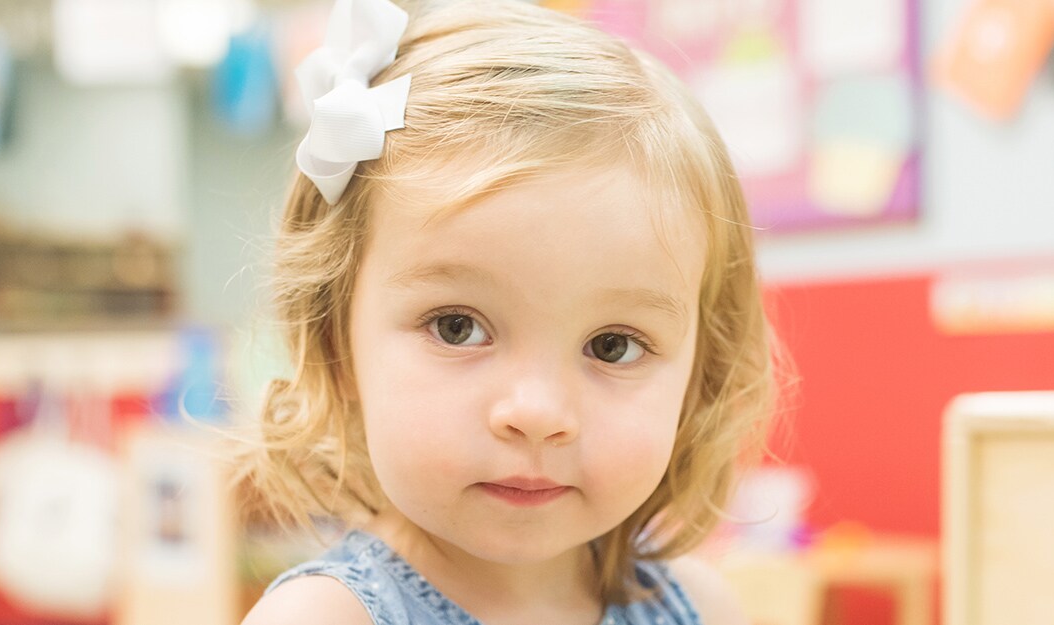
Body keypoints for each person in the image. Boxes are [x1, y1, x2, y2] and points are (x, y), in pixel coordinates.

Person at [234, 0, 779, 622]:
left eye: (613, 345)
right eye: (457, 327)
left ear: (698, 375)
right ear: (336, 345)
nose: (539, 414)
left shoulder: (701, 607)